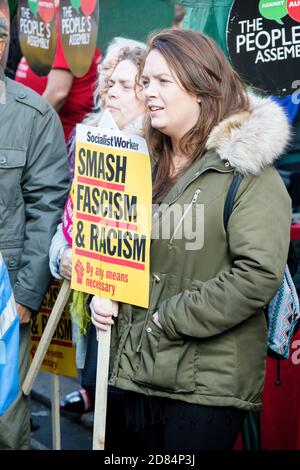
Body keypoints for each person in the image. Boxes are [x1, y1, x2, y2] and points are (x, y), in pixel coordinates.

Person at [90, 29, 292, 450]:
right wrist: (104, 291)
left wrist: (171, 318)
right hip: (133, 373)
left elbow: (258, 274)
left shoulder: (249, 173)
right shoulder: (139, 164)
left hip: (203, 389)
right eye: (145, 82)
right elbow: (119, 249)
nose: (149, 93)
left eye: (164, 81)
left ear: (201, 88)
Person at [49, 44, 146, 417]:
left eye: (124, 83)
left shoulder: (161, 155)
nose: (110, 90)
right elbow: (69, 221)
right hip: (96, 319)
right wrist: (64, 256)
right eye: (110, 81)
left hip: (137, 334)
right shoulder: (93, 139)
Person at [0, 16, 69, 449]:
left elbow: (48, 209)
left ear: (4, 44)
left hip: (3, 299)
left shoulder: (34, 116)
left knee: (6, 424)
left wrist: (25, 295)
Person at [15, 5, 101, 142]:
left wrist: (20, 130)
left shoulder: (64, 18)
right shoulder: (40, 13)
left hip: (52, 141)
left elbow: (57, 92)